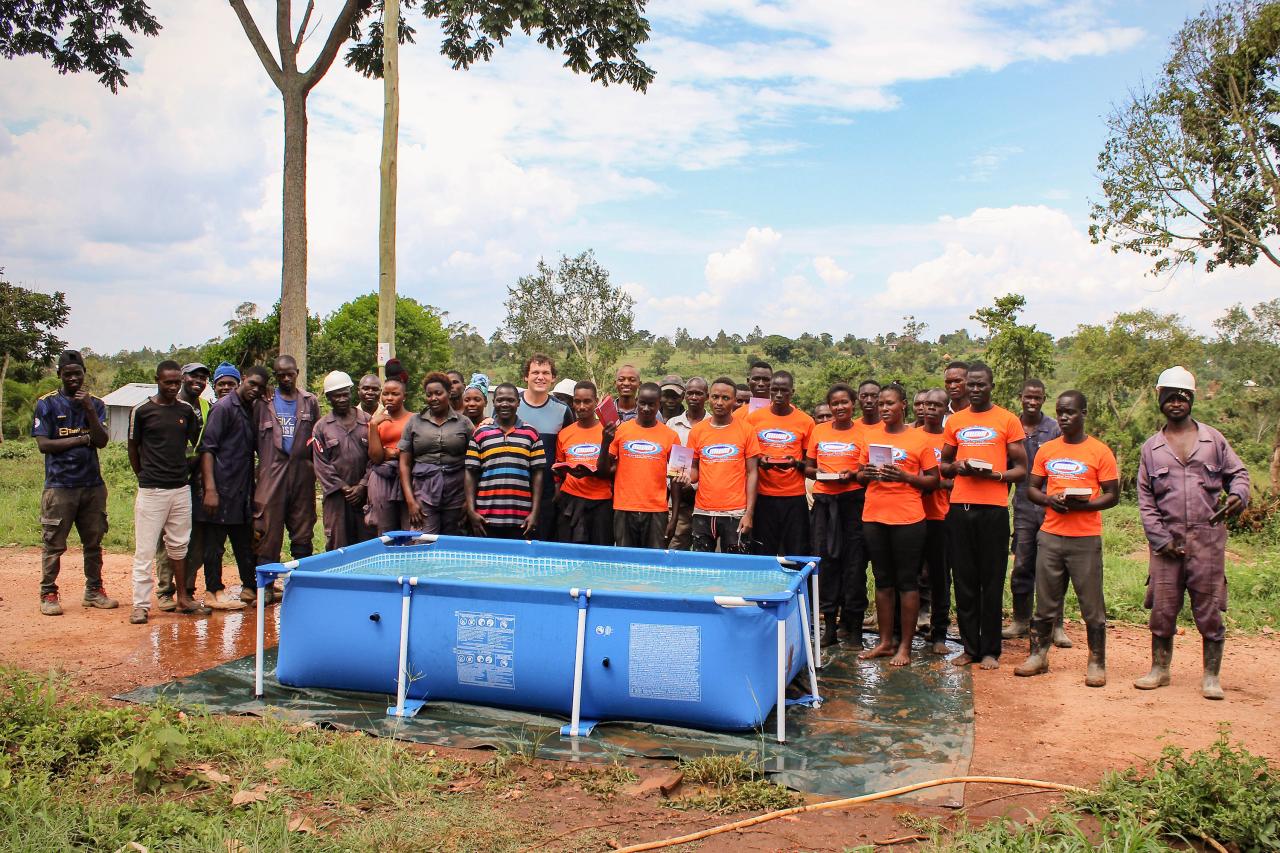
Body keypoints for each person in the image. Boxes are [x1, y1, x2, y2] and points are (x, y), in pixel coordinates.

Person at [1134, 366, 1249, 700]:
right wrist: (1161, 540)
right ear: (1160, 398)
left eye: (1182, 396)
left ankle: (1211, 676)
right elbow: (1145, 500)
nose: (1176, 402)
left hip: (1207, 540)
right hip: (1166, 542)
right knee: (1163, 609)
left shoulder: (1213, 440)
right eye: (1169, 396)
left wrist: (1238, 496)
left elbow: (1239, 473)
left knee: (1208, 609)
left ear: (1192, 398)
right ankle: (1160, 669)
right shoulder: (1151, 449)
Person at [1016, 390, 1119, 686]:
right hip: (1050, 535)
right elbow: (1032, 488)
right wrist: (1050, 500)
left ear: (1084, 414)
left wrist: (1086, 504)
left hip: (1084, 538)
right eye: (1060, 411)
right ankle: (1038, 655)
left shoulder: (1099, 451)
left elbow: (1113, 495)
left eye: (1070, 412)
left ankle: (1096, 662)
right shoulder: (1048, 450)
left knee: (1091, 603)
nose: (1063, 417)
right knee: (1045, 601)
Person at [939, 361, 1028, 670]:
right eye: (970, 385)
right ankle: (969, 648)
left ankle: (991, 650)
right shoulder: (955, 422)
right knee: (963, 581)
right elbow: (944, 465)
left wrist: (997, 477)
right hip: (960, 509)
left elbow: (1021, 468)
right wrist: (959, 467)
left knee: (990, 582)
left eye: (981, 385)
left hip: (993, 510)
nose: (974, 389)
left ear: (992, 386)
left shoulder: (1007, 420)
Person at [856, 384, 940, 666]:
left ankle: (905, 646)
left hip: (908, 519)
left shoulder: (919, 439)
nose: (884, 408)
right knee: (882, 581)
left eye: (889, 403)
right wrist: (865, 473)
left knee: (907, 582)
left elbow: (933, 481)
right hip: (874, 517)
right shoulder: (870, 437)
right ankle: (885, 642)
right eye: (880, 404)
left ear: (903, 405)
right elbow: (859, 477)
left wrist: (905, 476)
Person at [33, 350, 115, 616]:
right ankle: (48, 593)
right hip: (59, 486)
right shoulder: (46, 404)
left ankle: (94, 591)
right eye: (67, 374)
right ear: (59, 375)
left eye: (77, 374)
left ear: (84, 374)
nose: (73, 379)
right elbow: (45, 445)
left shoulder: (97, 403)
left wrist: (89, 408)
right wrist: (81, 440)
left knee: (94, 543)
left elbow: (101, 441)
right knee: (54, 544)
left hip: (92, 484)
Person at [126, 361, 208, 624]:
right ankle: (140, 605)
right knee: (146, 550)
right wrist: (144, 476)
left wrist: (184, 470)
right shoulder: (141, 410)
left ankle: (183, 597)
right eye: (167, 382)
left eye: (176, 382)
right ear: (157, 380)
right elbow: (133, 448)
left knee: (179, 546)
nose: (172, 387)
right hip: (152, 490)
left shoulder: (185, 410)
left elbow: (195, 444)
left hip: (180, 489)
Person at [199, 367, 268, 611]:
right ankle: (213, 591)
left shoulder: (251, 408)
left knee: (244, 542)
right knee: (215, 545)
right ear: (245, 380)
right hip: (220, 489)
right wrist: (210, 489)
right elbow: (207, 449)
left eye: (261, 387)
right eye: (253, 384)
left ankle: (249, 587)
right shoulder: (223, 407)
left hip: (242, 491)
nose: (256, 390)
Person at [804, 383, 868, 646]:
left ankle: (854, 630)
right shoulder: (818, 431)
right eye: (834, 403)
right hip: (824, 504)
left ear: (853, 404)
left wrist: (851, 475)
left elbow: (865, 472)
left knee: (854, 566)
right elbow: (808, 467)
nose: (839, 407)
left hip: (853, 504)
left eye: (844, 402)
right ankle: (829, 628)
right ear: (829, 406)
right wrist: (822, 475)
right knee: (826, 563)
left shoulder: (864, 433)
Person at [253, 355, 319, 602]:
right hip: (272, 472)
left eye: (289, 374)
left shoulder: (309, 401)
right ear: (275, 376)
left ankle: (300, 584)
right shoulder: (263, 403)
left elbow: (316, 439)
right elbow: (251, 440)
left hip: (301, 473)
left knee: (303, 529)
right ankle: (267, 586)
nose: (285, 378)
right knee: (267, 529)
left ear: (297, 372)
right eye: (280, 375)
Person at [1006, 379, 1065, 644]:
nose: (1032, 401)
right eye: (1028, 397)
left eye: (1038, 397)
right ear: (1020, 396)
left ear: (1043, 398)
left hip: (1051, 508)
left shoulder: (1054, 428)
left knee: (1053, 567)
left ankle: (1056, 625)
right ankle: (1020, 620)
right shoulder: (1011, 426)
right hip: (1022, 509)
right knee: (1022, 565)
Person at [154, 361, 211, 611]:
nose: (197, 381)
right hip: (168, 481)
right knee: (167, 540)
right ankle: (165, 591)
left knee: (194, 538)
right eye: (192, 376)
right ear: (182, 378)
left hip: (195, 480)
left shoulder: (207, 407)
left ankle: (186, 589)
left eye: (202, 377)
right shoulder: (168, 403)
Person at [682, 377, 760, 553]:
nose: (719, 402)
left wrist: (749, 513)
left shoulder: (746, 430)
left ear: (734, 400)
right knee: (701, 568)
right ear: (709, 397)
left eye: (726, 398)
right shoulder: (697, 431)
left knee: (734, 570)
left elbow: (753, 473)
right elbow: (694, 469)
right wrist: (686, 478)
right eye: (715, 397)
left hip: (736, 513)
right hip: (703, 511)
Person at [747, 370, 814, 556]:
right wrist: (761, 462)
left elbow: (809, 463)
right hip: (763, 495)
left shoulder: (806, 421)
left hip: (794, 496)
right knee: (763, 552)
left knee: (796, 552)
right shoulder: (754, 419)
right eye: (774, 389)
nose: (778, 395)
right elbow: (749, 457)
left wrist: (795, 464)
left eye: (783, 390)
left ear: (792, 391)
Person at [464, 383, 544, 538]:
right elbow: (470, 473)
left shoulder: (531, 433)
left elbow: (538, 475)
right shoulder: (481, 433)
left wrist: (535, 512)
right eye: (500, 400)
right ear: (493, 402)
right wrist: (471, 510)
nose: (505, 404)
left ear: (518, 402)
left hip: (522, 518)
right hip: (485, 517)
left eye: (510, 400)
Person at [603, 383, 678, 548]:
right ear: (636, 401)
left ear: (659, 404)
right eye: (642, 403)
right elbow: (605, 468)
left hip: (657, 510)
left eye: (651, 404)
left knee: (654, 563)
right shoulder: (621, 430)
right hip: (623, 508)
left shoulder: (671, 436)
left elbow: (676, 479)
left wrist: (674, 518)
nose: (646, 408)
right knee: (625, 562)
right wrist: (604, 442)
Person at [401, 372, 474, 535]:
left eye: (438, 393)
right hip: (424, 491)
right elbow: (404, 464)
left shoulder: (464, 423)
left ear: (449, 393)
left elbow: (474, 463)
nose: (433, 398)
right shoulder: (414, 422)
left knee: (453, 544)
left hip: (457, 493)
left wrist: (469, 500)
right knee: (424, 541)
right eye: (429, 394)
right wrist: (410, 501)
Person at [312, 371, 372, 550]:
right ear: (329, 398)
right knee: (338, 545)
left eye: (345, 394)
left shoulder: (367, 421)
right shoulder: (321, 428)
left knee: (367, 543)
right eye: (336, 396)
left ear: (351, 393)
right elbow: (321, 464)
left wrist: (362, 486)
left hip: (366, 495)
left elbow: (375, 458)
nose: (342, 399)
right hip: (337, 498)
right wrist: (344, 488)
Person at [516, 354, 573, 541]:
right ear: (526, 376)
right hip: (515, 486)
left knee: (544, 540)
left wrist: (560, 484)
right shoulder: (511, 404)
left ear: (553, 378)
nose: (540, 377)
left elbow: (567, 450)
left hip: (549, 491)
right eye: (535, 372)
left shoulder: (563, 410)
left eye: (546, 373)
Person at [554, 381, 614, 546]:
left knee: (600, 555)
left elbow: (612, 469)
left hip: (601, 502)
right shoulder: (564, 434)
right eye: (577, 401)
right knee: (570, 552)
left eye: (587, 401)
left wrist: (605, 443)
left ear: (596, 402)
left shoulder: (608, 431)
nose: (581, 406)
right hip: (571, 500)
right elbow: (560, 466)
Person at [919, 389, 954, 654]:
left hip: (941, 515)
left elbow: (957, 477)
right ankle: (900, 631)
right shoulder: (909, 436)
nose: (930, 409)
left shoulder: (950, 439)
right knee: (906, 575)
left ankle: (939, 632)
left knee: (940, 577)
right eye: (926, 404)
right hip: (910, 516)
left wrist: (933, 482)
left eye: (936, 405)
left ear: (945, 409)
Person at [366, 377, 412, 534]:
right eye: (385, 394)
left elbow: (416, 450)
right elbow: (376, 457)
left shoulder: (414, 419)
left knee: (410, 525)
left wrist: (396, 452)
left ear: (404, 396)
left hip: (408, 477)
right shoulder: (377, 422)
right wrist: (373, 425)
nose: (389, 398)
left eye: (395, 394)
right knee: (385, 528)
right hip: (382, 478)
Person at [666, 377, 708, 550]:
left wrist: (695, 486)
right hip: (677, 499)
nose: (694, 397)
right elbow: (669, 463)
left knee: (705, 551)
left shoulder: (714, 423)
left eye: (699, 393)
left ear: (707, 396)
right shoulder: (672, 424)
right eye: (690, 393)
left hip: (706, 499)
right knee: (675, 545)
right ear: (684, 396)